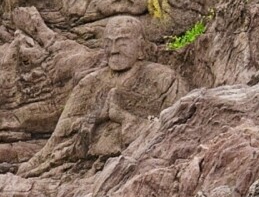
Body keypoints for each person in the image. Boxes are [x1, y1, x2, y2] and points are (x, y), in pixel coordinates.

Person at [19, 16, 184, 177]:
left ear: (140, 47)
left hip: (141, 158)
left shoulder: (163, 77)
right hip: (85, 159)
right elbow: (61, 133)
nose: (114, 50)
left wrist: (123, 116)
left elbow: (178, 124)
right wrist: (96, 117)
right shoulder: (91, 82)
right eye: (109, 43)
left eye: (122, 43)